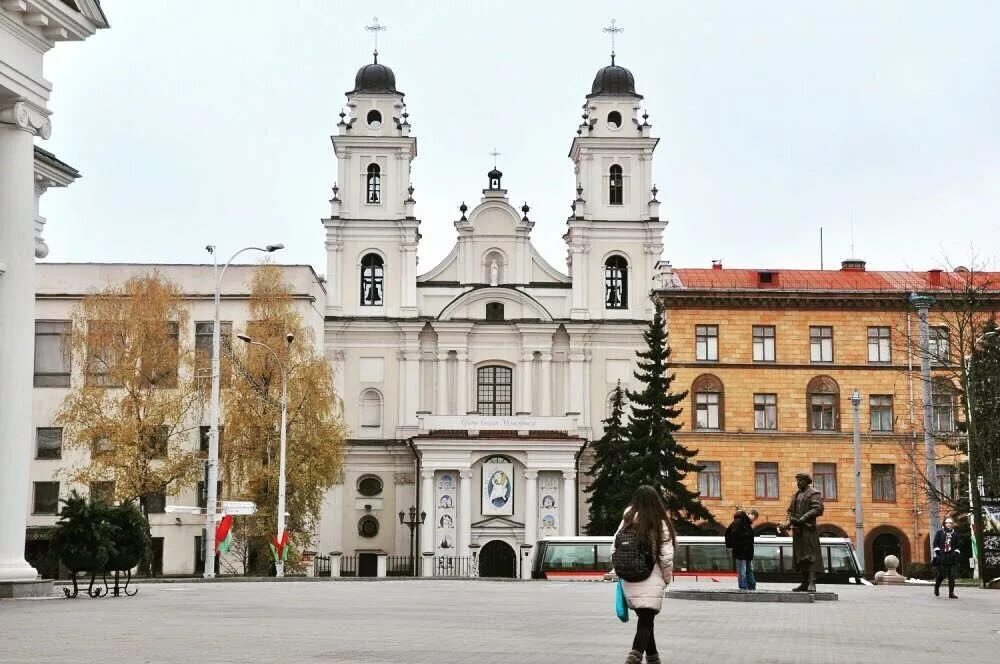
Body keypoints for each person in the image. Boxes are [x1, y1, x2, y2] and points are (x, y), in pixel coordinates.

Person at [612, 485, 676, 664]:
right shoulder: (659, 521)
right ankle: (633, 658)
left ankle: (654, 658)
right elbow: (666, 555)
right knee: (646, 620)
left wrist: (621, 569)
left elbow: (614, 546)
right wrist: (666, 577)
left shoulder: (628, 518)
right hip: (651, 576)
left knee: (645, 618)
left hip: (628, 577)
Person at [778, 472, 824, 592]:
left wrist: (802, 519)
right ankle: (804, 582)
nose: (798, 483)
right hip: (798, 531)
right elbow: (789, 512)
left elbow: (818, 509)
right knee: (800, 558)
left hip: (809, 530)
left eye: (800, 480)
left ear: (807, 481)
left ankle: (812, 582)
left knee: (811, 556)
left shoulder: (814, 493)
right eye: (797, 481)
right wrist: (787, 523)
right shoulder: (795, 495)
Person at [725, 507, 759, 590]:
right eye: (753, 518)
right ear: (750, 514)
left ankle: (751, 585)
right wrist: (733, 546)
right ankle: (743, 586)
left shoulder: (746, 523)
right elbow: (730, 534)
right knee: (742, 570)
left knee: (748, 569)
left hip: (747, 551)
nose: (753, 521)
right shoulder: (739, 522)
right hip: (741, 551)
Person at [933, 517, 961, 599]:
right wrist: (938, 552)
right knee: (941, 574)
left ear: (952, 524)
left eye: (950, 523)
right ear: (944, 524)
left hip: (951, 557)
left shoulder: (955, 534)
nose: (948, 524)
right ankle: (937, 587)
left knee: (951, 576)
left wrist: (955, 553)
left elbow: (958, 546)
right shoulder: (940, 533)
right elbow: (935, 544)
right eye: (947, 523)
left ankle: (951, 593)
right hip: (941, 556)